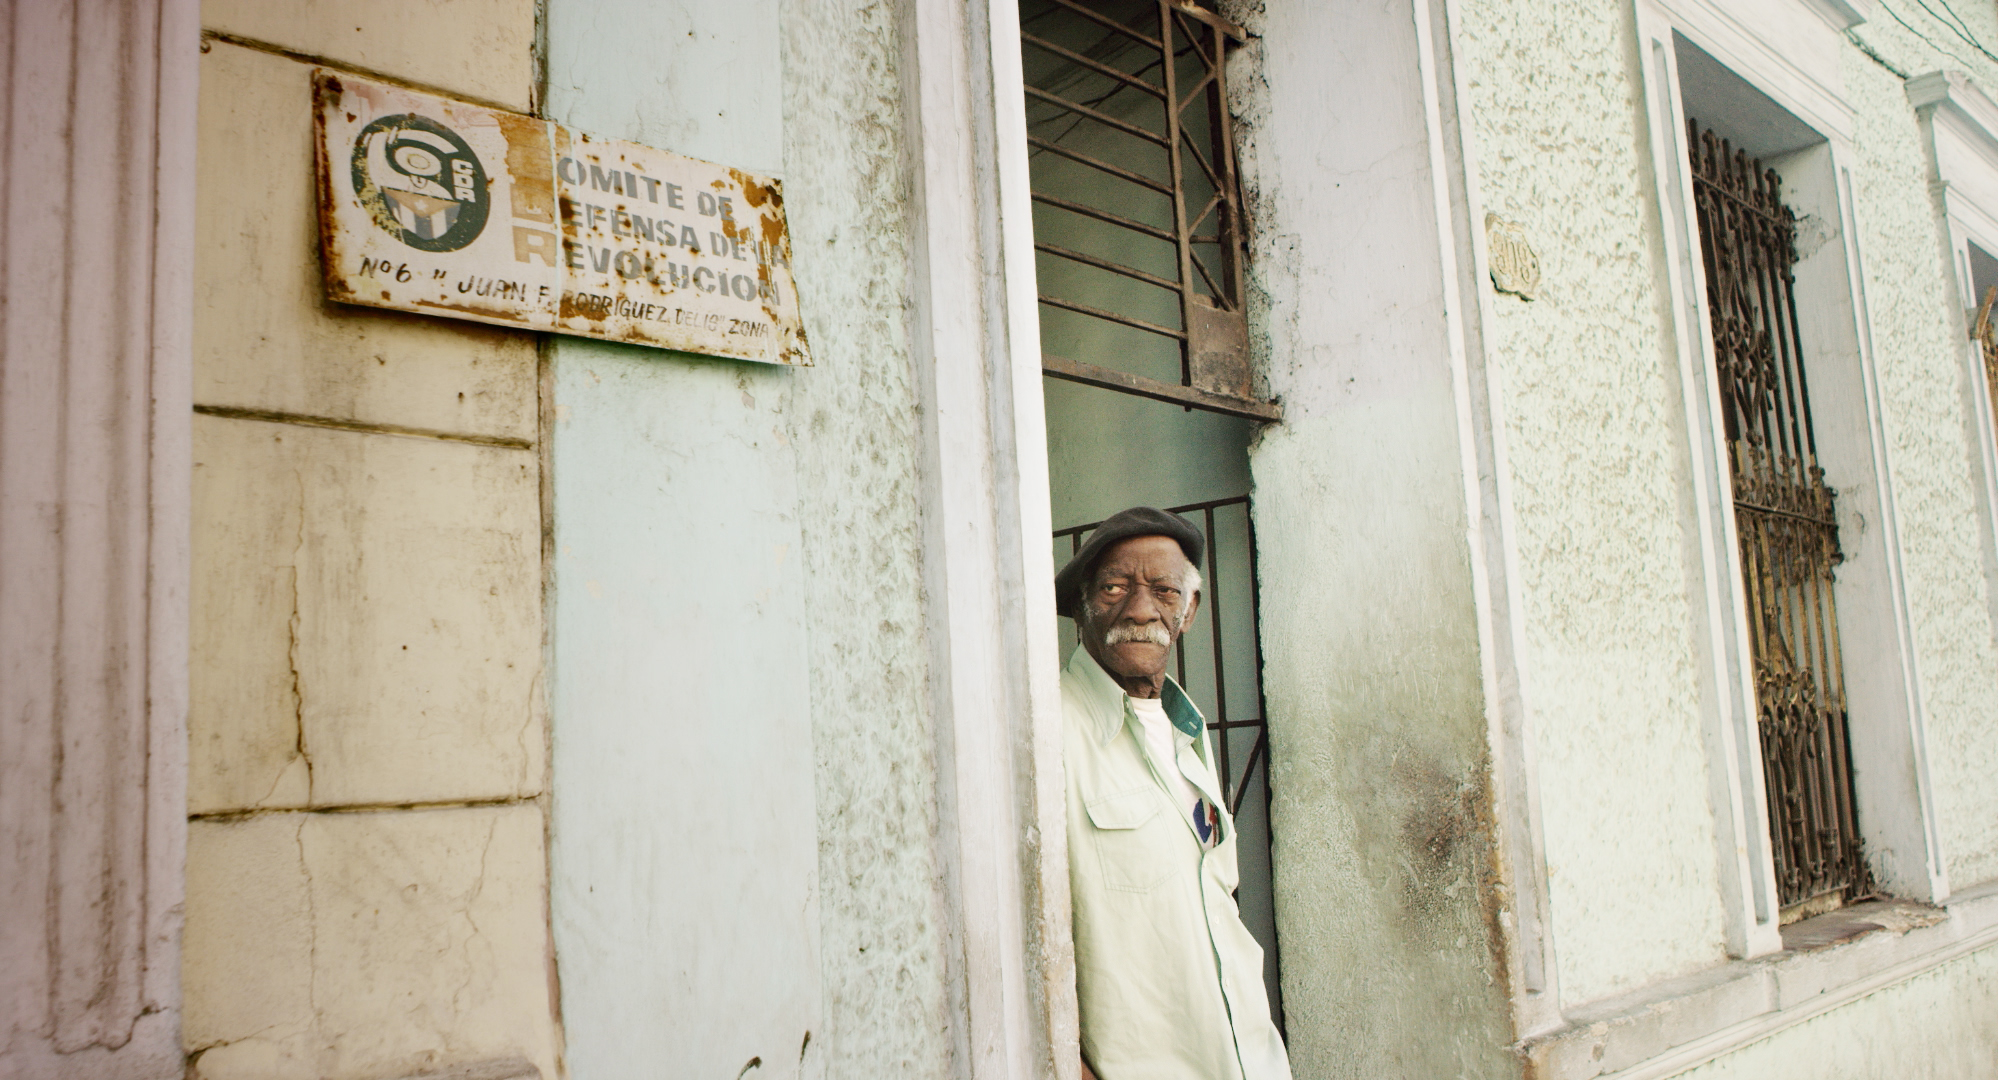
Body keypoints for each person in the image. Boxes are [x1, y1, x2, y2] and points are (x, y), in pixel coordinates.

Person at [1056, 507, 1292, 1080]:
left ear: (1189, 611)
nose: (1140, 609)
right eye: (1115, 587)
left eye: (1163, 590)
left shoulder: (1184, 730)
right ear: (1083, 604)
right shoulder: (1046, 729)